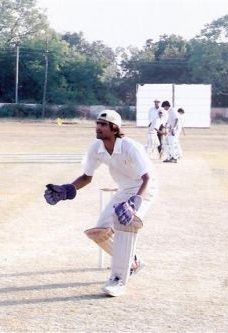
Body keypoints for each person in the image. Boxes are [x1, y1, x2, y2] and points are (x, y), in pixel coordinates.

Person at [44, 110, 158, 297]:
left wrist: (136, 202)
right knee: (98, 233)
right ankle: (132, 262)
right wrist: (67, 190)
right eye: (97, 123)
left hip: (144, 189)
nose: (98, 127)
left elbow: (147, 178)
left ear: (115, 129)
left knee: (125, 223)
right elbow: (86, 177)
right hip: (124, 190)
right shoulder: (96, 148)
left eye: (103, 124)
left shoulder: (130, 147)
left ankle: (119, 279)